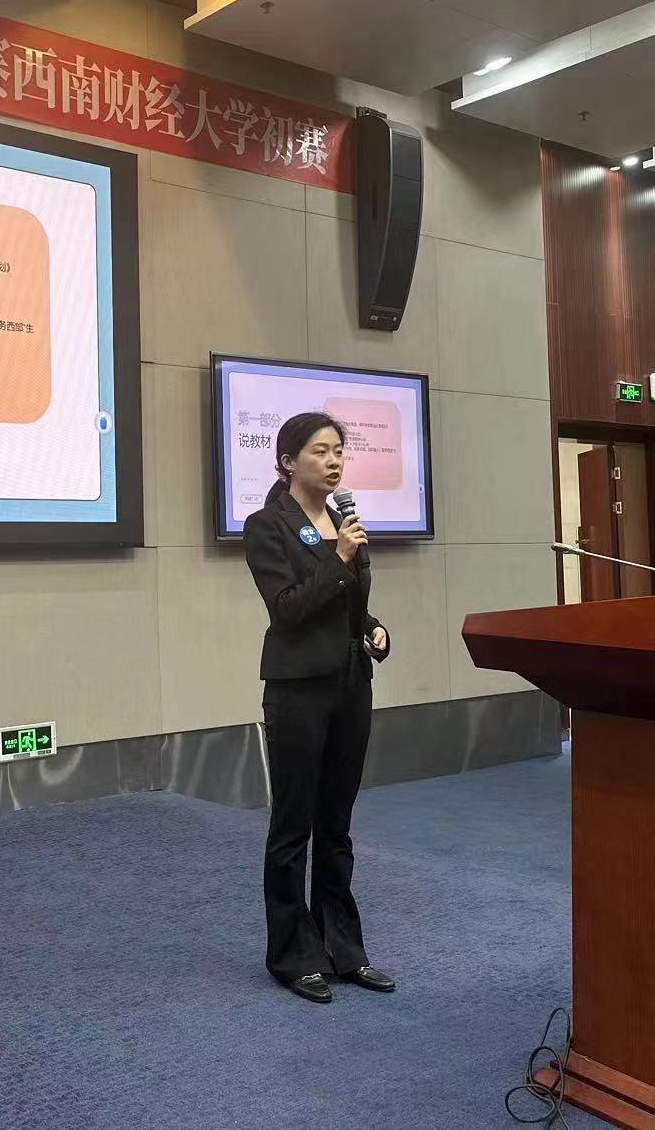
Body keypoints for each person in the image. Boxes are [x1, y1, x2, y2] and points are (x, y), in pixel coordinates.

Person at [243, 411, 394, 1005]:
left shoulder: (342, 522)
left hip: (351, 685)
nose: (334, 462)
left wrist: (374, 629)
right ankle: (292, 955)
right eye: (320, 451)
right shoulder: (267, 526)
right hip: (298, 689)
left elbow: (348, 607)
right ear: (288, 461)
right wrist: (339, 559)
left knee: (337, 822)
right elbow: (288, 609)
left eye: (339, 451)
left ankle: (344, 951)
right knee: (293, 825)